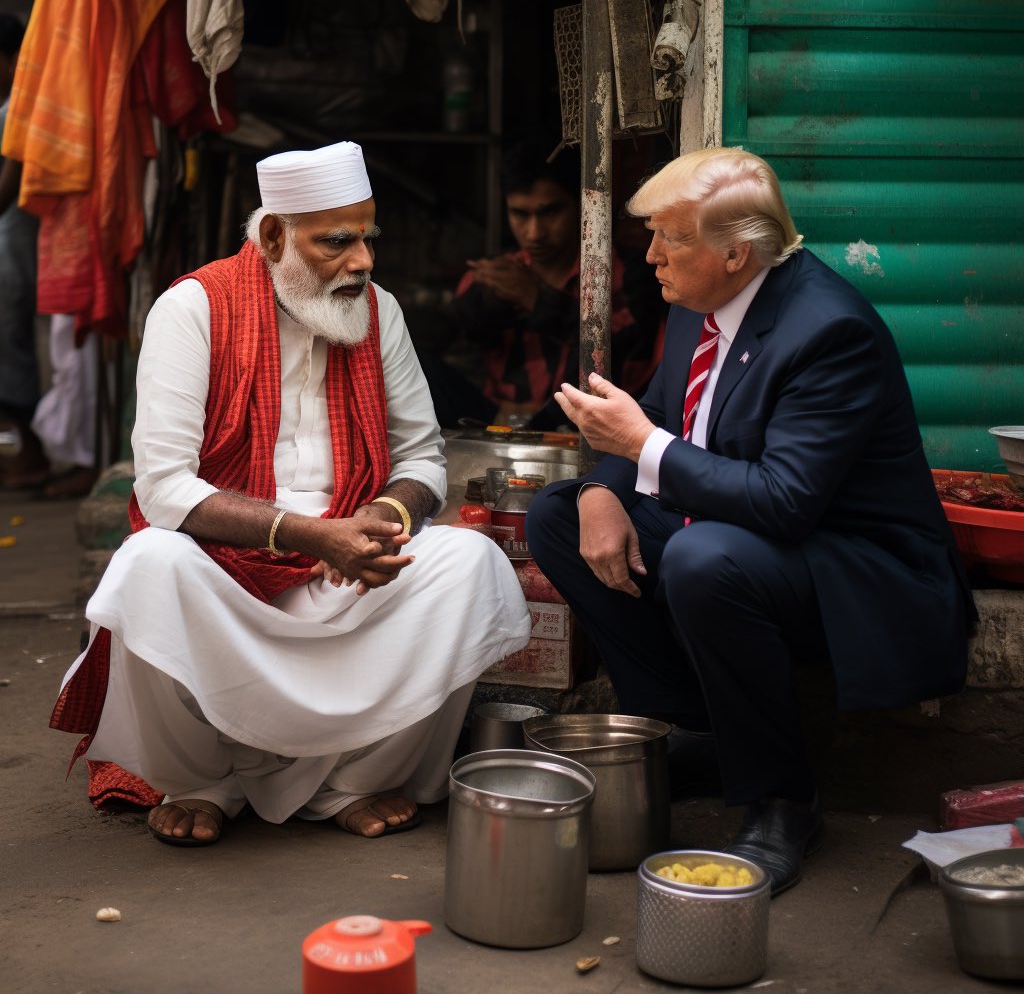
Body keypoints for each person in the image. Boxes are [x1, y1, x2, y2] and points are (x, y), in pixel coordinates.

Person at [50, 141, 533, 846]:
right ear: (274, 236)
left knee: (471, 564)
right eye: (336, 241)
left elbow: (423, 457)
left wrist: (383, 518)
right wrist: (310, 535)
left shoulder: (380, 311)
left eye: (367, 237)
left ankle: (352, 782)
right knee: (147, 566)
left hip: (349, 571)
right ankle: (202, 783)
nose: (362, 260)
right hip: (225, 572)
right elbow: (163, 489)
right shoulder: (192, 309)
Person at [525, 147, 974, 895]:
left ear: (735, 254)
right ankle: (695, 735)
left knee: (704, 558)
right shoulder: (703, 304)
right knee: (559, 514)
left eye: (670, 237)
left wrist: (637, 445)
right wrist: (607, 485)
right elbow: (667, 417)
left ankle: (782, 798)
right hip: (749, 539)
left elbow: (783, 500)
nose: (651, 254)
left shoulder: (829, 331)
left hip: (855, 568)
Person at [421, 139, 664, 429]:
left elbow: (627, 358)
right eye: (520, 214)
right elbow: (460, 335)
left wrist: (538, 299)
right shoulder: (496, 275)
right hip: (497, 424)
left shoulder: (631, 272)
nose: (534, 233)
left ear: (582, 206)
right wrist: (488, 298)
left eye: (549, 212)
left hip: (585, 427)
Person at [0, 14, 47, 490]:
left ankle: (31, 454)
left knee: (10, 350)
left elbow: (8, 186)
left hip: (12, 244)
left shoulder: (18, 109)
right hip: (8, 242)